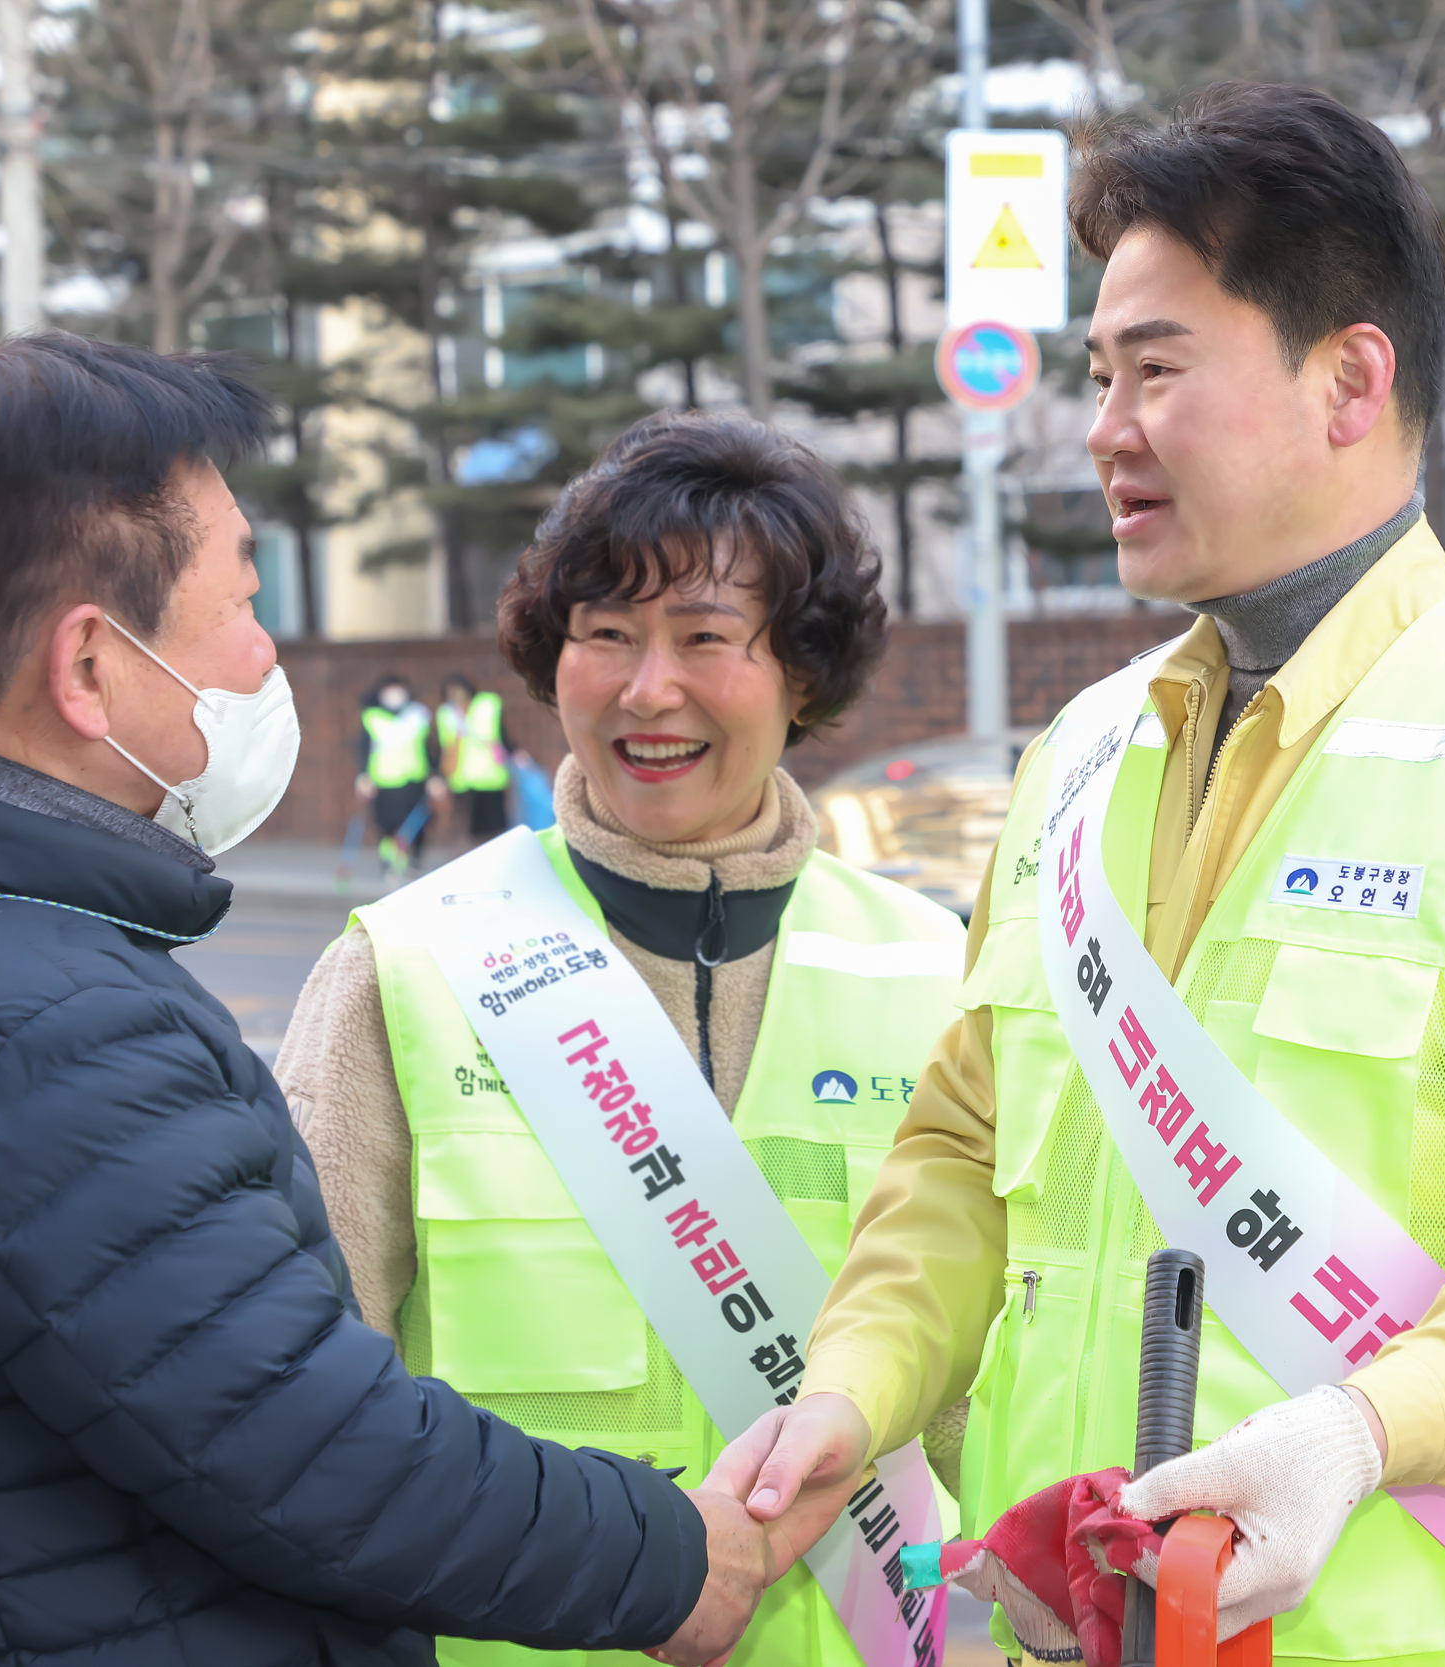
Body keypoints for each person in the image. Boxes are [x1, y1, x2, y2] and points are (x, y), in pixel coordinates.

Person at [713, 83, 1445, 1664]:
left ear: (1350, 379)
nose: (1105, 426)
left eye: (1157, 370)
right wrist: (855, 1387)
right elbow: (959, 1150)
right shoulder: (1075, 757)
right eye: (1095, 373)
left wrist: (1361, 1427)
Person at [0, 335, 778, 1667]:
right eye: (243, 592)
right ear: (89, 669)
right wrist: (670, 1554)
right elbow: (323, 1458)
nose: (264, 649)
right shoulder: (52, 1035)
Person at [277, 410, 970, 1667]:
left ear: (801, 674)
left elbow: (1001, 1386)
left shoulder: (939, 970)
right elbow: (304, 1412)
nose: (649, 690)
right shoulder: (408, 966)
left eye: (705, 638)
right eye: (605, 636)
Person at [359, 672, 440, 873]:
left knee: (416, 822)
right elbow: (362, 748)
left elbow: (429, 748)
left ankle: (415, 859)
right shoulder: (372, 717)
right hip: (384, 779)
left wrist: (435, 775)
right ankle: (389, 861)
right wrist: (363, 775)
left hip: (414, 778)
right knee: (387, 823)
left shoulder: (418, 715)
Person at [439, 670, 512, 843]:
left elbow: (503, 734)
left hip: (491, 777)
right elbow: (445, 747)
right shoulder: (446, 714)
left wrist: (514, 753)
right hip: (462, 781)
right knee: (469, 831)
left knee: (495, 829)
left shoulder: (489, 704)